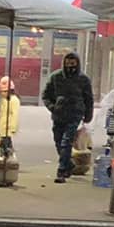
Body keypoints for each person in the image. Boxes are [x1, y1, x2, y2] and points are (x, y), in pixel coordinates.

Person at [42, 52, 94, 182]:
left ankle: (62, 170)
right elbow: (46, 95)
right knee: (58, 141)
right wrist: (52, 107)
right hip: (59, 114)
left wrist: (88, 115)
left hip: (75, 114)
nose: (70, 66)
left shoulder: (83, 79)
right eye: (68, 63)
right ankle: (68, 164)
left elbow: (89, 99)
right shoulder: (56, 77)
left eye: (73, 63)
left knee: (66, 142)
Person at [0, 74, 20, 163]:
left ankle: (8, 156)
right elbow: (0, 113)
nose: (2, 93)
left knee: (6, 142)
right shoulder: (3, 100)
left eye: (4, 91)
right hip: (1, 126)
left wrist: (12, 128)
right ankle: (5, 155)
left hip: (7, 127)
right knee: (2, 142)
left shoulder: (14, 100)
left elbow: (14, 115)